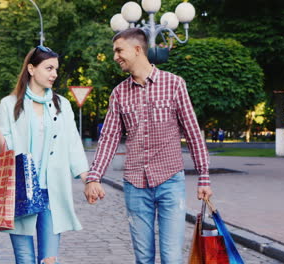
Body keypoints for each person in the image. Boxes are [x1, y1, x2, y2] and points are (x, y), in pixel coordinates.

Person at [83, 28, 213, 264]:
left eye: (118, 50)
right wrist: (94, 177)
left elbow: (193, 133)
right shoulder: (119, 94)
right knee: (143, 258)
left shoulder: (174, 84)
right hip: (135, 184)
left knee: (171, 257)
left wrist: (204, 176)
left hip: (170, 181)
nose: (115, 57)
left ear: (137, 49)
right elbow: (109, 138)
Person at [0, 45, 89, 264]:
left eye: (56, 69)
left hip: (51, 192)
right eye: (49, 68)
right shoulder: (9, 105)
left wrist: (89, 180)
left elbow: (73, 145)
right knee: (24, 258)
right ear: (31, 68)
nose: (54, 74)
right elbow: (5, 150)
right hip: (21, 191)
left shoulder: (62, 105)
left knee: (50, 259)